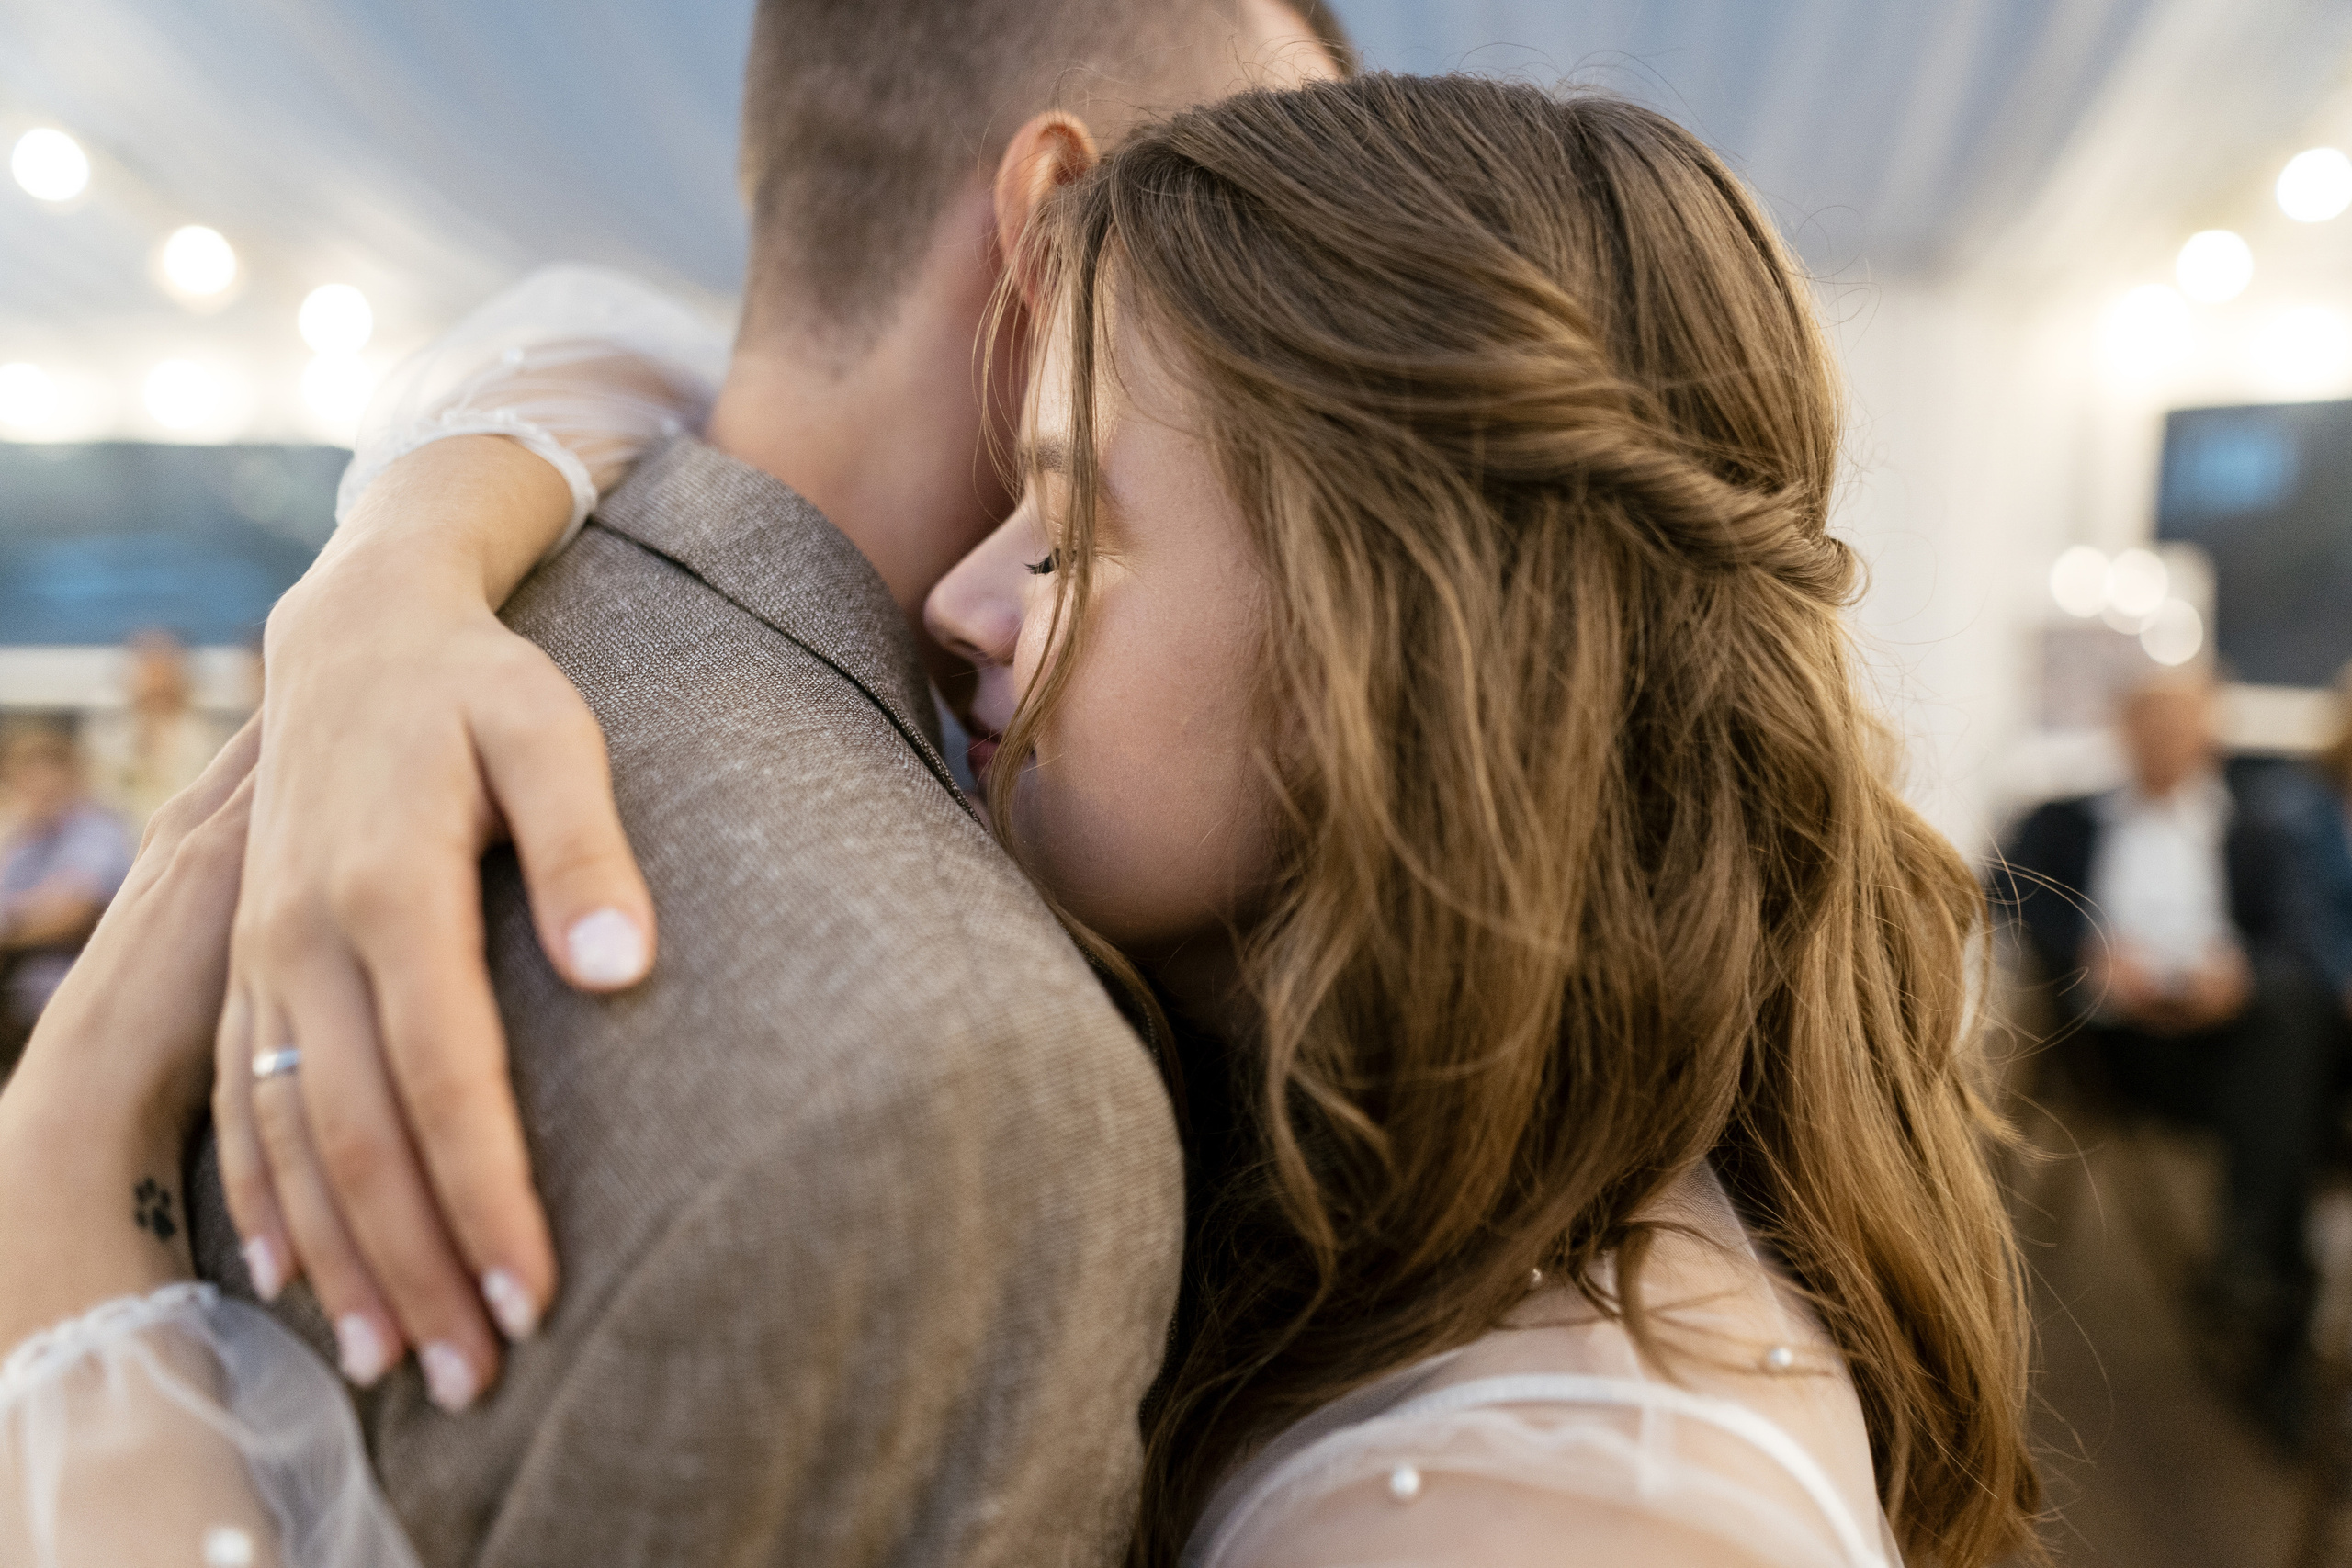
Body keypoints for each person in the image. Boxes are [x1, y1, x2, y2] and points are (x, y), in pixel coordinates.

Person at [1, 74, 2039, 1567]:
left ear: (1397, 644)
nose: (960, 599)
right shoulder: (1413, 1167)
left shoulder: (1548, 1516)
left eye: (1062, 527)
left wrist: (70, 1206)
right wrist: (390, 583)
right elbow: (659, 339)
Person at [1996, 672, 2335, 1427]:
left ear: (2211, 732)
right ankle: (2267, 1298)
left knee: (2285, 1022)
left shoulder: (2254, 831)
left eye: (2185, 723)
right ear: (2124, 728)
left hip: (2226, 1044)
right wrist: (2089, 954)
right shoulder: (2064, 820)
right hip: (2117, 1048)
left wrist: (2240, 976)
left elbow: (2297, 942)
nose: (2169, 738)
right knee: (2293, 1105)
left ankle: (2256, 1274)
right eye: (2154, 721)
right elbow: (2002, 889)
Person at [0, 716, 134, 1075]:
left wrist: (11, 925)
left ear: (74, 775)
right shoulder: (24, 838)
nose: (34, 785)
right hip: (17, 979)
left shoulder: (99, 830)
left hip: (74, 982)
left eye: (45, 772)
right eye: (22, 775)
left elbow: (73, 911)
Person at [82, 629, 239, 832]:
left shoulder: (214, 737)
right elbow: (101, 800)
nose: (156, 681)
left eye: (164, 669)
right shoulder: (106, 740)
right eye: (148, 669)